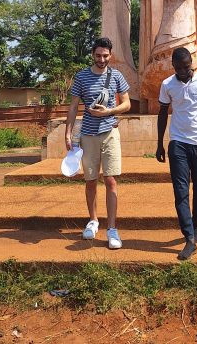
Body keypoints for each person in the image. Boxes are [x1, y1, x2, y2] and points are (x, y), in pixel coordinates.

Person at [65, 37, 131, 249]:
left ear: (110, 55)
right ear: (92, 54)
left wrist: (110, 111)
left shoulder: (116, 76)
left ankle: (112, 228)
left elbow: (127, 103)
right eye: (98, 55)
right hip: (88, 135)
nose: (102, 59)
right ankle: (93, 221)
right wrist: (68, 133)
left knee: (111, 180)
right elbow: (74, 106)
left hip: (110, 134)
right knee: (91, 180)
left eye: (105, 55)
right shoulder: (82, 77)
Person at [156, 47, 197, 260]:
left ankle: (196, 223)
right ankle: (189, 238)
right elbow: (162, 114)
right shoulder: (167, 85)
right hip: (178, 144)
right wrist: (159, 144)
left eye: (187, 66)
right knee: (180, 191)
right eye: (179, 68)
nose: (184, 71)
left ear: (192, 63)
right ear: (173, 66)